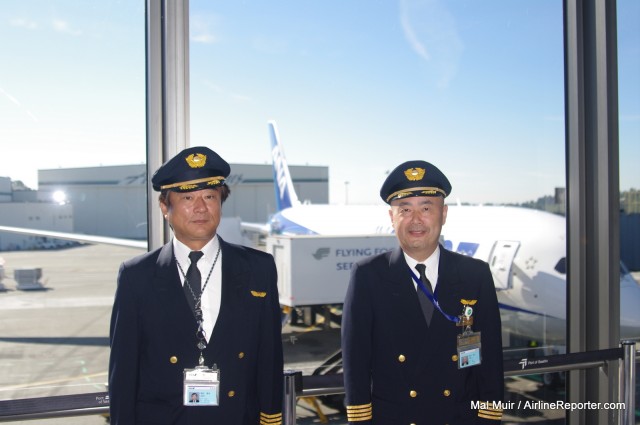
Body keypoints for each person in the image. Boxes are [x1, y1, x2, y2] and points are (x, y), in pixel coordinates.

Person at [108, 146, 283, 425]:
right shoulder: (136, 276)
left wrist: (271, 419)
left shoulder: (258, 268)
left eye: (210, 196)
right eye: (188, 197)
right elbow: (124, 372)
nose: (201, 208)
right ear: (165, 207)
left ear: (221, 203)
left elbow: (270, 357)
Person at [342, 160, 504, 424]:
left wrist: (487, 417)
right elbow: (356, 360)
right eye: (404, 209)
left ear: (444, 214)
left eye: (426, 208)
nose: (416, 219)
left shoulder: (475, 275)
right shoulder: (369, 276)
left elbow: (488, 358)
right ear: (391, 217)